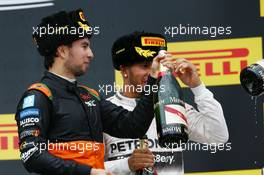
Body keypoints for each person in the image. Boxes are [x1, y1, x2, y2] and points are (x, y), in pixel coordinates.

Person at [15, 9, 173, 175]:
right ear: (62, 51)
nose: (91, 54)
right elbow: (31, 154)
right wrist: (88, 172)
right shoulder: (38, 96)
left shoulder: (90, 96)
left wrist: (154, 78)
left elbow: (133, 127)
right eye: (84, 46)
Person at [104, 31, 229, 175]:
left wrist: (197, 87)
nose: (154, 71)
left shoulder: (174, 105)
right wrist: (125, 165)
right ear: (124, 69)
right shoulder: (107, 111)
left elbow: (218, 136)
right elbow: (90, 169)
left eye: (157, 64)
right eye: (145, 65)